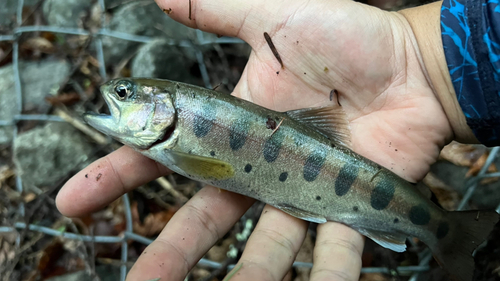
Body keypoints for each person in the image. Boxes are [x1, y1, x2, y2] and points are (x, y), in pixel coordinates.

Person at [56, 0, 499, 280]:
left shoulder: (177, 139)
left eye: (123, 95)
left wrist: (421, 59)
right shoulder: (173, 133)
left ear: (160, 105)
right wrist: (429, 60)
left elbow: (209, 169)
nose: (115, 97)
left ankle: (446, 231)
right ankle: (445, 230)